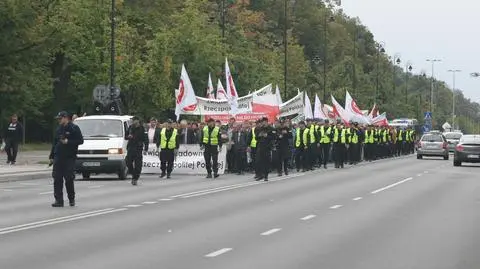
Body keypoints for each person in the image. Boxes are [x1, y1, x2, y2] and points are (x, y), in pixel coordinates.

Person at [49, 111, 84, 207]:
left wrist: (68, 142)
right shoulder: (58, 129)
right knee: (57, 179)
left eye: (60, 119)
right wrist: (51, 156)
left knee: (69, 178)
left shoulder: (74, 128)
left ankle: (71, 198)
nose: (59, 121)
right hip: (58, 156)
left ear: (66, 118)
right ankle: (59, 200)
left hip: (69, 157)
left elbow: (80, 141)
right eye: (58, 119)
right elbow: (55, 143)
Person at [126, 116, 148, 185]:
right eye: (132, 121)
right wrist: (128, 136)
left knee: (138, 165)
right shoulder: (130, 127)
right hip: (130, 147)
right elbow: (126, 135)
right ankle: (133, 174)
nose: (133, 122)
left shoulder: (142, 128)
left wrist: (146, 148)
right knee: (128, 162)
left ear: (137, 121)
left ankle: (135, 178)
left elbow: (146, 139)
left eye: (134, 120)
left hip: (138, 148)